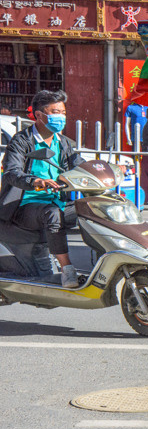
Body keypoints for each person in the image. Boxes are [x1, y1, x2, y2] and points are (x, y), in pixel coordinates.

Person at [0, 90, 85, 287]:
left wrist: (101, 169)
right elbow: (12, 173)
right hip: (24, 207)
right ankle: (67, 270)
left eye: (63, 112)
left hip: (56, 201)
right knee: (53, 214)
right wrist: (37, 181)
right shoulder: (21, 141)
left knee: (92, 209)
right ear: (39, 115)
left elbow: (79, 165)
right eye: (56, 112)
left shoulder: (62, 143)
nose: (61, 117)